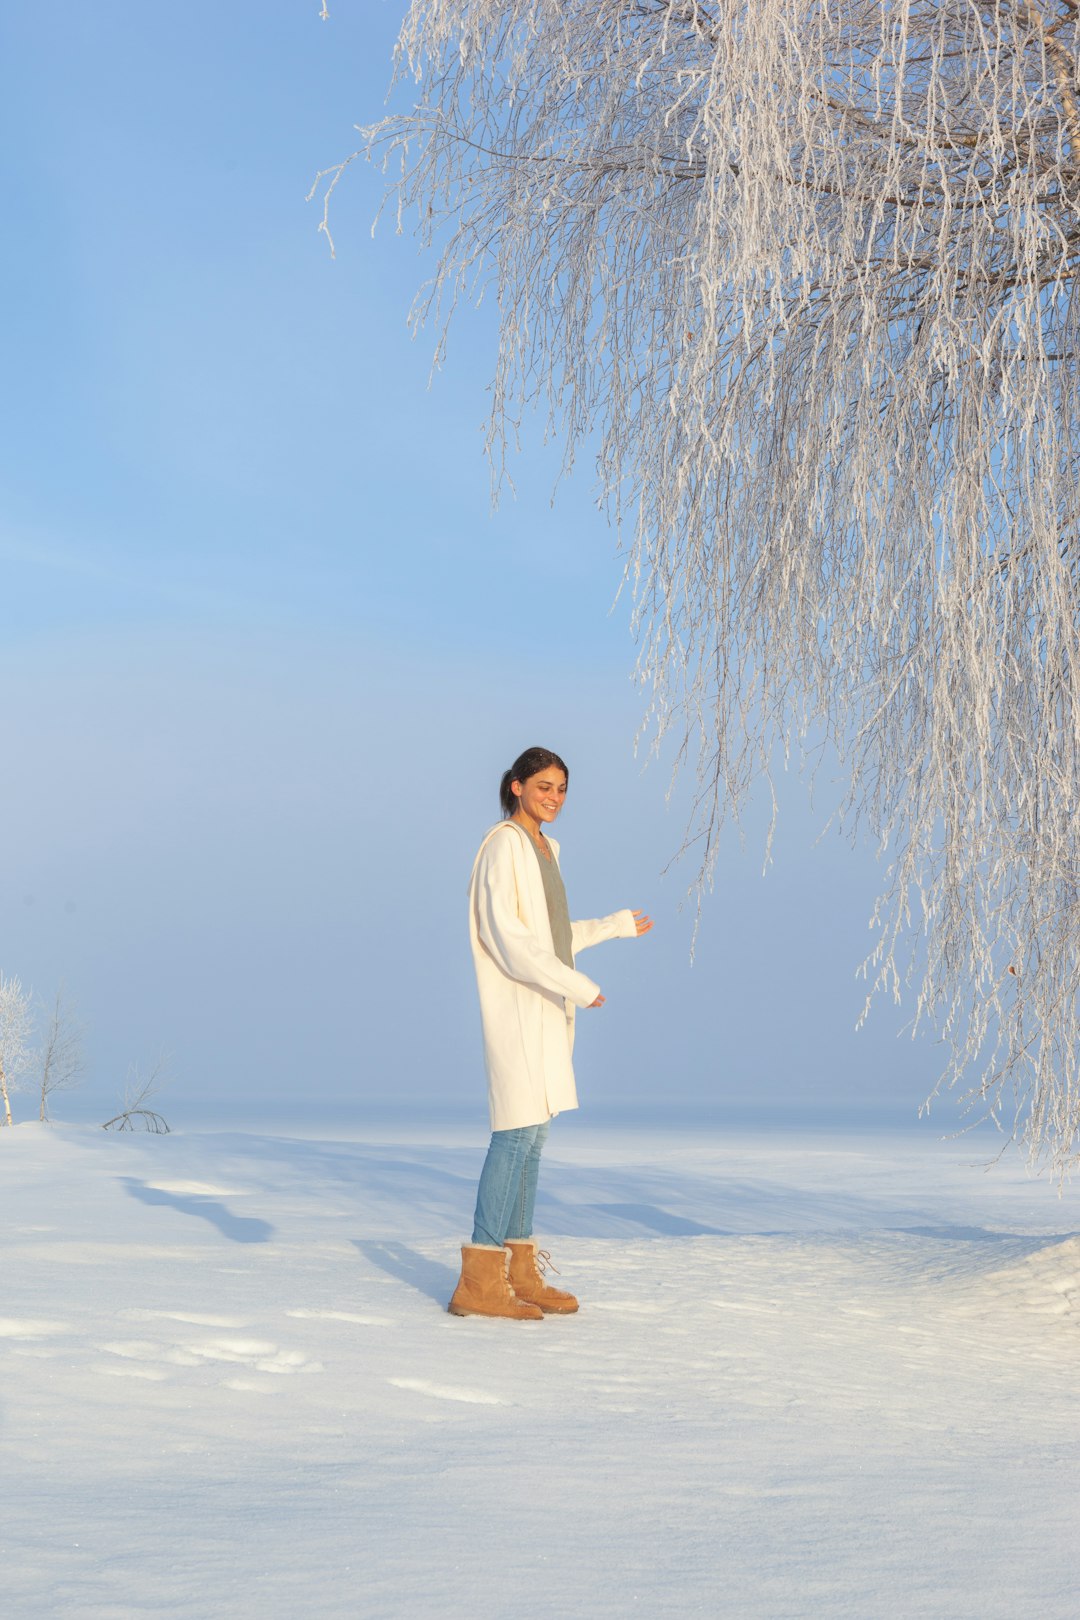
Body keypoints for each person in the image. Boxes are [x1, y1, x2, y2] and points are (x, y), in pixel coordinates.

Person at [447, 746, 652, 1321]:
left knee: (534, 1139)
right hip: (518, 1005)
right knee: (513, 1134)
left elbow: (552, 935)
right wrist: (579, 985)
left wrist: (612, 927)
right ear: (516, 786)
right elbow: (512, 941)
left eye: (561, 788)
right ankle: (479, 1281)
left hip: (546, 1006)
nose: (554, 797)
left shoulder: (546, 849)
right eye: (543, 786)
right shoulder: (503, 847)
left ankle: (519, 1271)